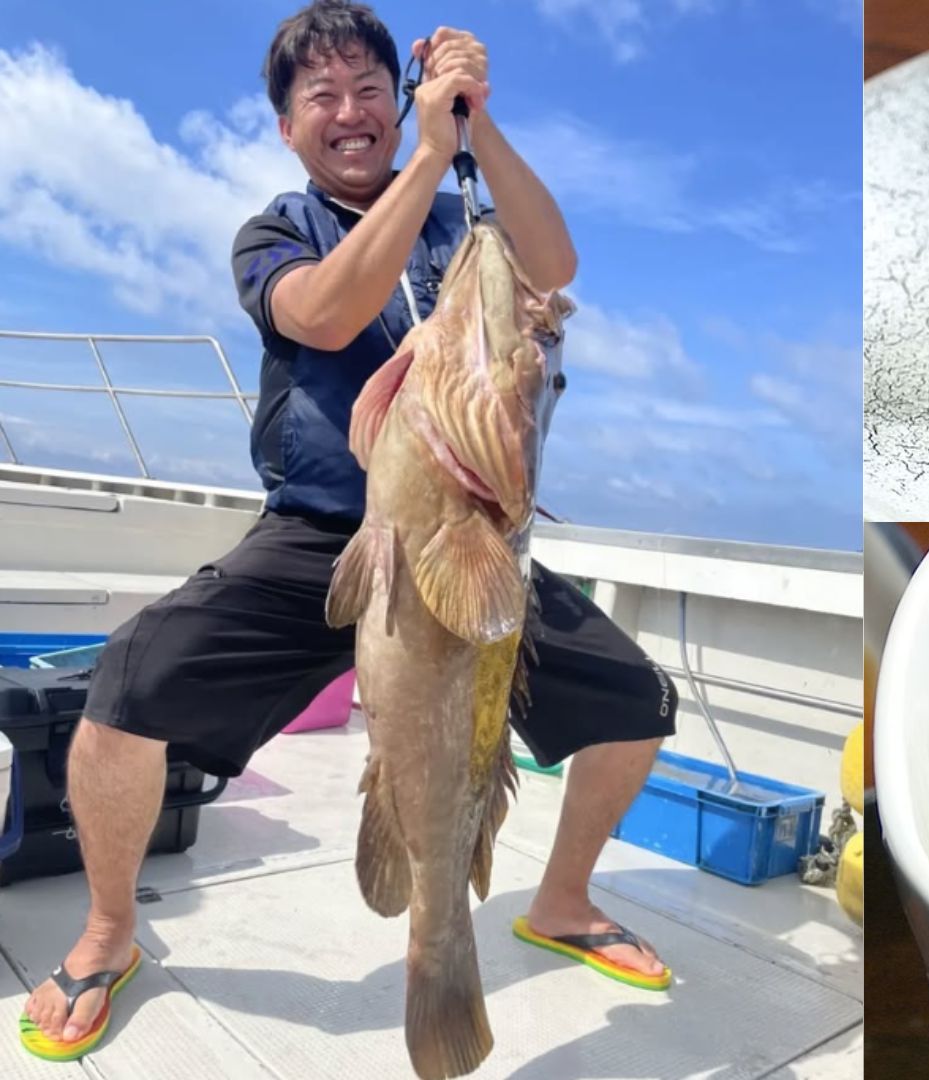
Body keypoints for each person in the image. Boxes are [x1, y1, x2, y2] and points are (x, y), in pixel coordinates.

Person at [20, 0, 679, 1056]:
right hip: (319, 536)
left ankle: (560, 900)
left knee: (638, 701)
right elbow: (325, 313)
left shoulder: (465, 224)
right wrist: (433, 157)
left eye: (371, 88)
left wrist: (475, 124)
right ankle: (108, 932)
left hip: (471, 535)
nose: (350, 110)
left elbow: (552, 266)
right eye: (321, 95)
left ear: (401, 102)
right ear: (288, 126)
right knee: (123, 693)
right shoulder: (277, 233)